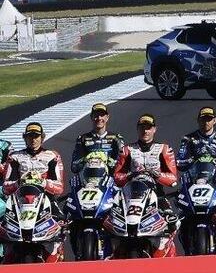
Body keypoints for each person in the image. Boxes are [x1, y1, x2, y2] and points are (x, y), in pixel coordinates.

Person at [3, 122, 66, 262]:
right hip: (19, 201)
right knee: (4, 225)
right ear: (24, 137)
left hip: (45, 199)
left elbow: (60, 187)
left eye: (36, 136)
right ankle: (6, 259)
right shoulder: (14, 157)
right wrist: (19, 182)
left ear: (42, 137)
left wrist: (42, 182)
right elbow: (6, 187)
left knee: (61, 221)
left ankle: (56, 254)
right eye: (30, 136)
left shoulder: (52, 156)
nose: (33, 139)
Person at [113, 114, 179, 233]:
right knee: (110, 220)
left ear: (154, 129)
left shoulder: (164, 149)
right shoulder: (126, 149)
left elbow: (173, 179)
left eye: (148, 128)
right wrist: (130, 175)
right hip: (131, 195)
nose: (145, 131)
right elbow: (117, 177)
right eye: (142, 128)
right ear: (137, 129)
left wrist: (157, 175)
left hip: (157, 194)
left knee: (172, 222)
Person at [70, 103, 125, 178]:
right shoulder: (82, 139)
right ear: (91, 117)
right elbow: (74, 167)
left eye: (102, 115)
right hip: (87, 179)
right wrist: (87, 159)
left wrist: (107, 160)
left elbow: (122, 164)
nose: (99, 118)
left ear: (107, 117)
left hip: (109, 179)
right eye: (96, 115)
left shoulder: (116, 138)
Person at [176, 106, 216, 171]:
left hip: (215, 174)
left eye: (209, 119)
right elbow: (179, 162)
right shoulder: (188, 139)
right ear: (198, 120)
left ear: (214, 120)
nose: (206, 122)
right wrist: (194, 159)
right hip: (195, 173)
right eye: (203, 119)